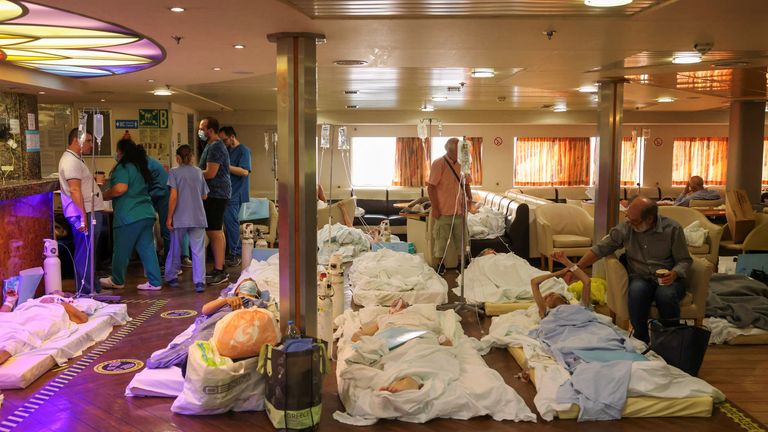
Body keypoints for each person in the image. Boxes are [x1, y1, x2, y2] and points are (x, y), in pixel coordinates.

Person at [569, 197, 692, 342]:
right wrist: (575, 268)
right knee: (636, 291)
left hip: (668, 279)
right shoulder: (627, 227)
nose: (629, 223)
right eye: (628, 217)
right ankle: (641, 338)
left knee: (665, 295)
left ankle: (670, 340)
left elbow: (684, 260)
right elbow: (600, 249)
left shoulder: (672, 229)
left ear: (650, 219)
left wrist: (675, 273)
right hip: (640, 276)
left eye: (634, 221)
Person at [100, 139, 162, 291]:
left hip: (128, 216)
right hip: (146, 213)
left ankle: (117, 279)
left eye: (117, 151)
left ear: (121, 152)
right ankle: (155, 282)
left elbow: (120, 188)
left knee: (121, 249)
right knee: (147, 248)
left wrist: (104, 195)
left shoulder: (123, 168)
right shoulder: (140, 167)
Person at [58, 128, 105, 295]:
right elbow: (75, 190)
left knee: (89, 252)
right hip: (83, 214)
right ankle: (85, 291)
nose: (91, 145)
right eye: (89, 141)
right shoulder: (71, 162)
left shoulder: (77, 159)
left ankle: (91, 288)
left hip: (89, 212)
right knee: (84, 253)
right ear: (77, 141)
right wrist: (83, 216)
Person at [165, 144, 209, 293]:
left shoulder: (174, 172)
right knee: (198, 250)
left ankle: (172, 276)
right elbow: (204, 195)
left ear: (177, 158)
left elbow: (173, 196)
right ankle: (199, 282)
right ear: (192, 157)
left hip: (180, 217)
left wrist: (169, 217)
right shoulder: (198, 172)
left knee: (175, 247)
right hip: (198, 216)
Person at [0, 292, 88, 365]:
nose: (54, 292)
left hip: (47, 316)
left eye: (57, 292)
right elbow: (3, 315)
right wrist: (10, 300)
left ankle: (3, 353)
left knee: (24, 335)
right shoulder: (31, 302)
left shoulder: (62, 304)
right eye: (52, 292)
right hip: (24, 314)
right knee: (4, 324)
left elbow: (83, 318)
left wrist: (58, 303)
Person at [427, 137, 472, 275]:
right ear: (449, 150)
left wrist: (470, 198)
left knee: (461, 240)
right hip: (443, 211)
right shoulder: (439, 163)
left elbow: (467, 183)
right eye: (457, 150)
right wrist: (435, 208)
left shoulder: (463, 164)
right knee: (441, 240)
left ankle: (461, 265)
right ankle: (440, 265)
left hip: (459, 211)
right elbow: (431, 187)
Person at [198, 117, 231, 285]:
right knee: (217, 230)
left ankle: (220, 269)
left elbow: (210, 173)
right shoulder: (211, 146)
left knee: (214, 231)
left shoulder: (216, 146)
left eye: (202, 128)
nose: (200, 132)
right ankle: (220, 266)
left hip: (216, 194)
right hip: (216, 193)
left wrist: (192, 173)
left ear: (210, 130)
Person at [219, 126, 251, 268]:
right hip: (226, 192)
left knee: (231, 223)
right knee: (227, 222)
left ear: (232, 137)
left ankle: (236, 253)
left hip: (236, 193)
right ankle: (233, 252)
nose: (223, 142)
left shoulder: (243, 150)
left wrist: (226, 166)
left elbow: (244, 172)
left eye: (225, 139)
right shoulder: (228, 151)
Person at [531, 252, 591, 319]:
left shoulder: (580, 307)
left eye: (552, 293)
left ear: (565, 300)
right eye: (546, 298)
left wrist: (567, 262)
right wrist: (559, 273)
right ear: (545, 305)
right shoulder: (546, 313)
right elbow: (534, 282)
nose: (549, 295)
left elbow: (586, 281)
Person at [147, 156, 171, 264]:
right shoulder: (151, 162)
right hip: (161, 193)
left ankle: (168, 260)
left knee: (165, 228)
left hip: (162, 194)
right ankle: (167, 259)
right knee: (164, 228)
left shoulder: (146, 165)